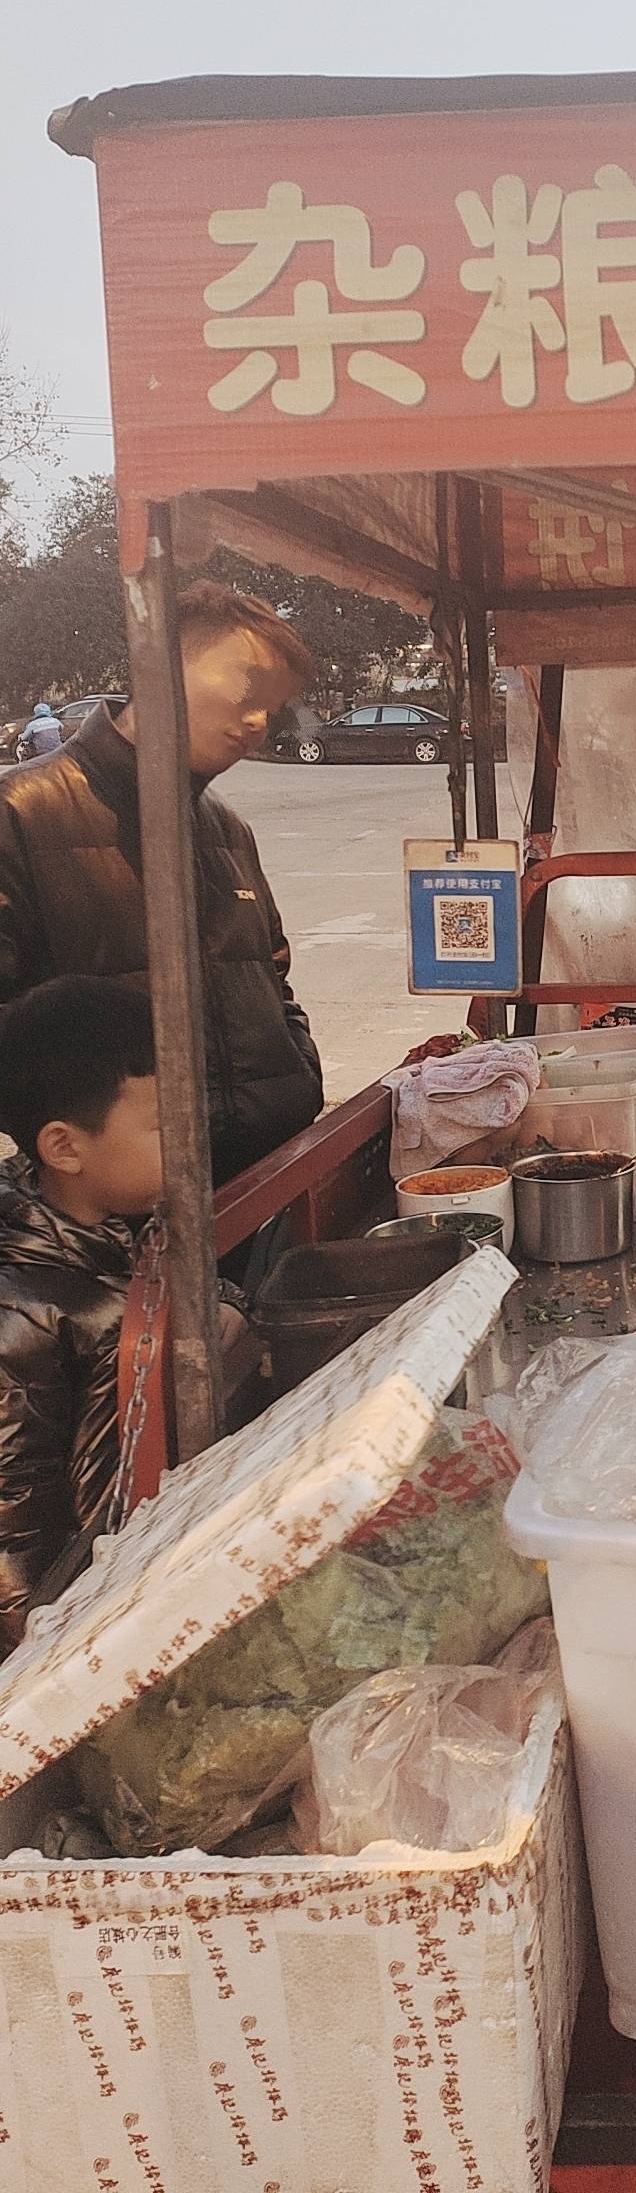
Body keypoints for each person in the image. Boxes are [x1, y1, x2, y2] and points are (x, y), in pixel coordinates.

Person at [0, 581, 323, 1184]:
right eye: (245, 685)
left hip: (264, 1178)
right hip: (122, 1209)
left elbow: (273, 980)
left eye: (272, 702)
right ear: (157, 666)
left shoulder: (227, 827)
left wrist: (299, 1077)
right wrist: (96, 1144)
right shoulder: (21, 813)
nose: (257, 718)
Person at [0, 979, 163, 1646]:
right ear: (65, 1148)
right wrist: (51, 1658)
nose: (194, 1139)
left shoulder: (116, 1227)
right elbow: (12, 1524)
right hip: (68, 1619)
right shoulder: (23, 1310)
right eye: (164, 1125)